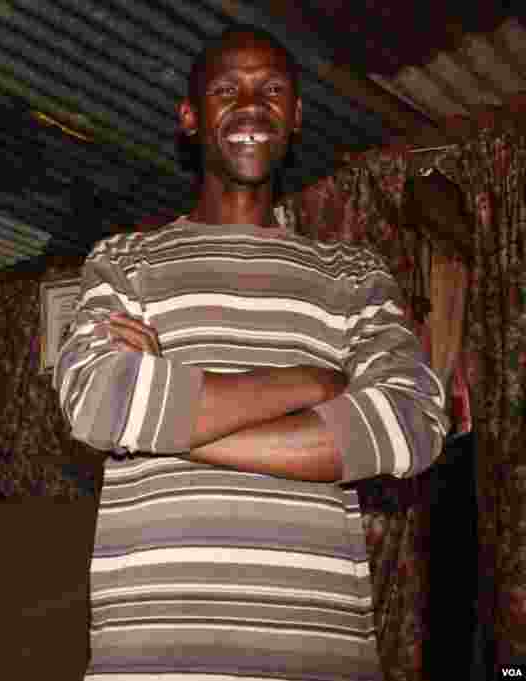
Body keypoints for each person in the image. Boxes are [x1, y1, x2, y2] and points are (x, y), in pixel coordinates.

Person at [52, 24, 448, 681]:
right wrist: (310, 382)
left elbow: (413, 424)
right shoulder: (124, 261)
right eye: (226, 90)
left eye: (271, 91)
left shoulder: (354, 275)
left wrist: (163, 416)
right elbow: (96, 401)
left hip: (318, 654)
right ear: (190, 117)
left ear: (296, 117)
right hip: (152, 657)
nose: (251, 107)